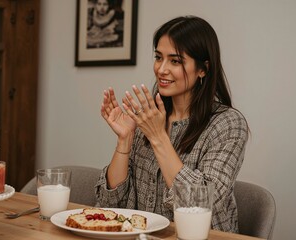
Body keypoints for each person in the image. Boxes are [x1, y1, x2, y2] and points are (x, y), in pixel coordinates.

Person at [96, 16, 249, 233]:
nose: (161, 69)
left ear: (203, 69)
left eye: (175, 61)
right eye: (159, 57)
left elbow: (203, 203)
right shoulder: (149, 118)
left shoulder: (228, 124)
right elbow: (110, 206)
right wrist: (125, 140)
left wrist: (159, 138)